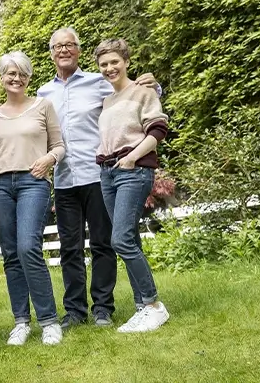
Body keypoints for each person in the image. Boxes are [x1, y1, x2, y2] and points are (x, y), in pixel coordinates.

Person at [37, 27, 159, 329]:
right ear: (51, 52)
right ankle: (75, 311)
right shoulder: (43, 93)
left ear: (78, 50)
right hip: (64, 179)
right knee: (70, 248)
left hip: (98, 175)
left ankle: (103, 308)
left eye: (70, 45)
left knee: (104, 244)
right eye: (57, 46)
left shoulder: (99, 82)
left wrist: (155, 87)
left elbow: (133, 96)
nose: (64, 50)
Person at [0, 51, 66, 346]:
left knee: (28, 247)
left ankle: (49, 321)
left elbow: (59, 146)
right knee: (10, 254)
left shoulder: (43, 106)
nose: (16, 78)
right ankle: (21, 322)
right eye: (10, 73)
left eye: (22, 73)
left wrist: (48, 160)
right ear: (2, 78)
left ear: (29, 78)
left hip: (33, 181)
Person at [94, 38, 170, 333]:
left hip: (133, 170)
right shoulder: (108, 100)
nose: (110, 68)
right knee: (129, 240)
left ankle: (153, 305)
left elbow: (158, 129)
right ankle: (142, 308)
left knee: (120, 239)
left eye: (114, 62)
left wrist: (132, 157)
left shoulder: (143, 91)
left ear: (126, 61)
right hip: (108, 173)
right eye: (104, 64)